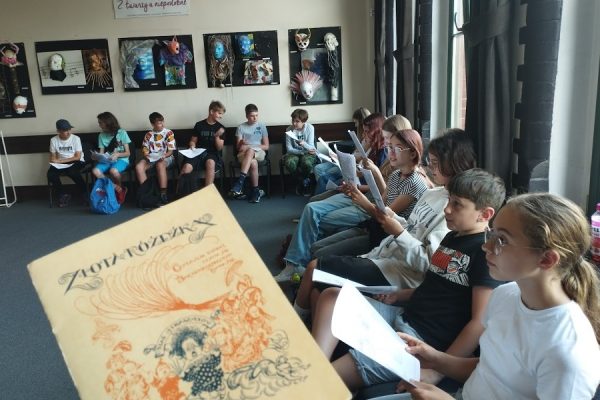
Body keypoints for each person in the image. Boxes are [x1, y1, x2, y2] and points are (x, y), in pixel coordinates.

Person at [311, 168, 507, 393]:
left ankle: (315, 381)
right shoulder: (452, 237)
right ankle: (315, 364)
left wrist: (439, 369)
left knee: (328, 379)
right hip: (405, 315)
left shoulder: (483, 254)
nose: (447, 209)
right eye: (449, 201)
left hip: (422, 341)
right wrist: (399, 295)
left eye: (457, 205)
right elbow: (436, 285)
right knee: (333, 296)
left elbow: (479, 322)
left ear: (485, 214)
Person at [397, 192, 600, 400]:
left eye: (502, 240)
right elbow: (489, 370)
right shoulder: (505, 295)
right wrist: (436, 359)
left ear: (546, 260)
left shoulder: (568, 353)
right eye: (491, 234)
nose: (486, 246)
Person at [292, 129, 477, 319]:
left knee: (315, 267)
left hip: (400, 273)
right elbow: (411, 225)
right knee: (319, 290)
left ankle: (293, 322)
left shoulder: (452, 211)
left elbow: (427, 264)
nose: (430, 167)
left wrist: (397, 232)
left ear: (454, 163)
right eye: (431, 161)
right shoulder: (433, 193)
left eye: (436, 163)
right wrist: (392, 217)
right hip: (386, 256)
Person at [275, 113, 388, 282]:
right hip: (357, 193)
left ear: (378, 131)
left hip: (364, 199)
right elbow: (365, 177)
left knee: (314, 214)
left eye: (367, 131)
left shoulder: (384, 154)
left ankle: (297, 262)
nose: (364, 135)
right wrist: (351, 176)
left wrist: (356, 185)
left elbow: (379, 191)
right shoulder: (373, 150)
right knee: (311, 208)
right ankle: (296, 263)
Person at [313, 107, 371, 196]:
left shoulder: (369, 140)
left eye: (356, 122)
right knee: (319, 169)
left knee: (324, 176)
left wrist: (340, 157)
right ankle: (323, 192)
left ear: (361, 121)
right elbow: (355, 153)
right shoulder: (362, 138)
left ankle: (323, 194)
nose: (355, 125)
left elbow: (361, 158)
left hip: (351, 165)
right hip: (347, 161)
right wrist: (339, 156)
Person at [179, 101, 226, 189]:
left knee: (210, 162)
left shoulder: (221, 128)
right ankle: (181, 192)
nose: (221, 116)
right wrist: (192, 145)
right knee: (186, 167)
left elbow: (219, 148)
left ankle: (207, 192)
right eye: (219, 113)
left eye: (222, 114)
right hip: (198, 153)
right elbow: (193, 141)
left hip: (212, 154)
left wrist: (216, 136)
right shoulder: (199, 125)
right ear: (211, 112)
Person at [229, 103, 269, 203]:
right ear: (247, 116)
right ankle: (256, 191)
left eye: (256, 115)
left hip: (259, 152)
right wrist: (241, 143)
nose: (255, 118)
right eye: (252, 116)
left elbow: (266, 146)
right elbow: (239, 148)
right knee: (253, 163)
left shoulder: (262, 126)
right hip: (243, 154)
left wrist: (250, 146)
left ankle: (240, 182)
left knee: (251, 151)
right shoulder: (241, 127)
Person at [135, 112, 176, 205]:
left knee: (160, 164)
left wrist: (164, 156)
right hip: (152, 158)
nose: (162, 124)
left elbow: (170, 151)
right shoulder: (148, 135)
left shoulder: (168, 133)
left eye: (162, 122)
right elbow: (145, 149)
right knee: (139, 167)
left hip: (166, 157)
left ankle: (163, 194)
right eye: (159, 123)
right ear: (152, 124)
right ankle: (147, 194)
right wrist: (146, 155)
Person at [92, 112, 131, 202]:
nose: (99, 125)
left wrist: (117, 154)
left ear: (108, 122)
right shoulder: (101, 135)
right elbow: (101, 153)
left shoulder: (122, 133)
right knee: (95, 171)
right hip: (108, 160)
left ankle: (119, 188)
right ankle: (115, 187)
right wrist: (97, 157)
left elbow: (128, 153)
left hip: (121, 159)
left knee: (113, 171)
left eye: (100, 123)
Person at [47, 119, 87, 207]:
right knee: (51, 174)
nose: (68, 132)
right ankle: (63, 195)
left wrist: (60, 161)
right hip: (61, 163)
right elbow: (52, 157)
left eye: (69, 129)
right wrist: (55, 161)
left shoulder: (76, 138)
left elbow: (77, 157)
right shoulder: (53, 140)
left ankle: (85, 193)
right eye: (65, 130)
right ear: (58, 131)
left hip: (76, 161)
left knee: (72, 172)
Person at [283, 109, 318, 196]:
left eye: (297, 121)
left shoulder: (310, 128)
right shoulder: (289, 129)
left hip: (308, 153)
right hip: (294, 152)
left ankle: (304, 181)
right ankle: (302, 181)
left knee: (307, 163)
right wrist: (301, 152)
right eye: (293, 120)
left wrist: (303, 144)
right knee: (289, 163)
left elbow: (311, 147)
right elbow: (289, 149)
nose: (294, 123)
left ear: (303, 121)